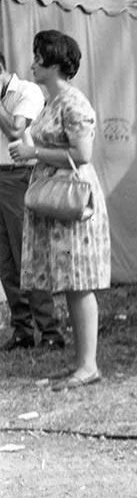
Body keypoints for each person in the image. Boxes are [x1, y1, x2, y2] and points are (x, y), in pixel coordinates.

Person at [7, 31, 110, 390]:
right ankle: (82, 364)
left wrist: (34, 154)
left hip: (72, 200)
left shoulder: (72, 102)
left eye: (38, 57)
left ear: (54, 64)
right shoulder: (52, 101)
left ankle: (88, 365)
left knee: (79, 282)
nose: (32, 63)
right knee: (69, 281)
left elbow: (83, 155)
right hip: (55, 197)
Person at [0, 50, 63, 352]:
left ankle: (49, 329)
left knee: (27, 254)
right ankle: (22, 329)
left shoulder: (26, 91)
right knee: (5, 260)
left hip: (19, 177)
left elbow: (15, 130)